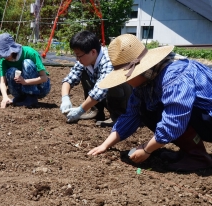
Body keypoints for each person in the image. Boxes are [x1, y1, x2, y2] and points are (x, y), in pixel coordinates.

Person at [88, 34, 212, 171]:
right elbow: (131, 115)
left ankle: (198, 157)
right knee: (147, 109)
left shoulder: (174, 75)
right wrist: (105, 145)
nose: (125, 82)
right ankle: (188, 151)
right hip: (201, 118)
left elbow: (175, 119)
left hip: (208, 116)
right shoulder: (144, 84)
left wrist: (147, 149)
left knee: (167, 110)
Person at [60, 31, 132, 125]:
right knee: (84, 73)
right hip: (104, 93)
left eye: (79, 56)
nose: (77, 59)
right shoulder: (86, 59)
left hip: (129, 99)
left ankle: (119, 116)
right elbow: (69, 79)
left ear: (93, 52)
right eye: (76, 56)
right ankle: (96, 111)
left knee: (111, 81)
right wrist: (65, 98)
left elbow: (100, 90)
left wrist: (80, 110)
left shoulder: (109, 60)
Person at [0, 33, 51, 108]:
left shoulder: (30, 53)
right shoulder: (3, 60)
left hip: (41, 87)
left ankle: (31, 98)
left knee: (27, 63)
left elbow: (44, 78)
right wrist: (5, 97)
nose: (4, 57)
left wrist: (25, 82)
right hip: (21, 88)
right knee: (11, 71)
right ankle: (21, 97)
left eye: (6, 53)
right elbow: (2, 82)